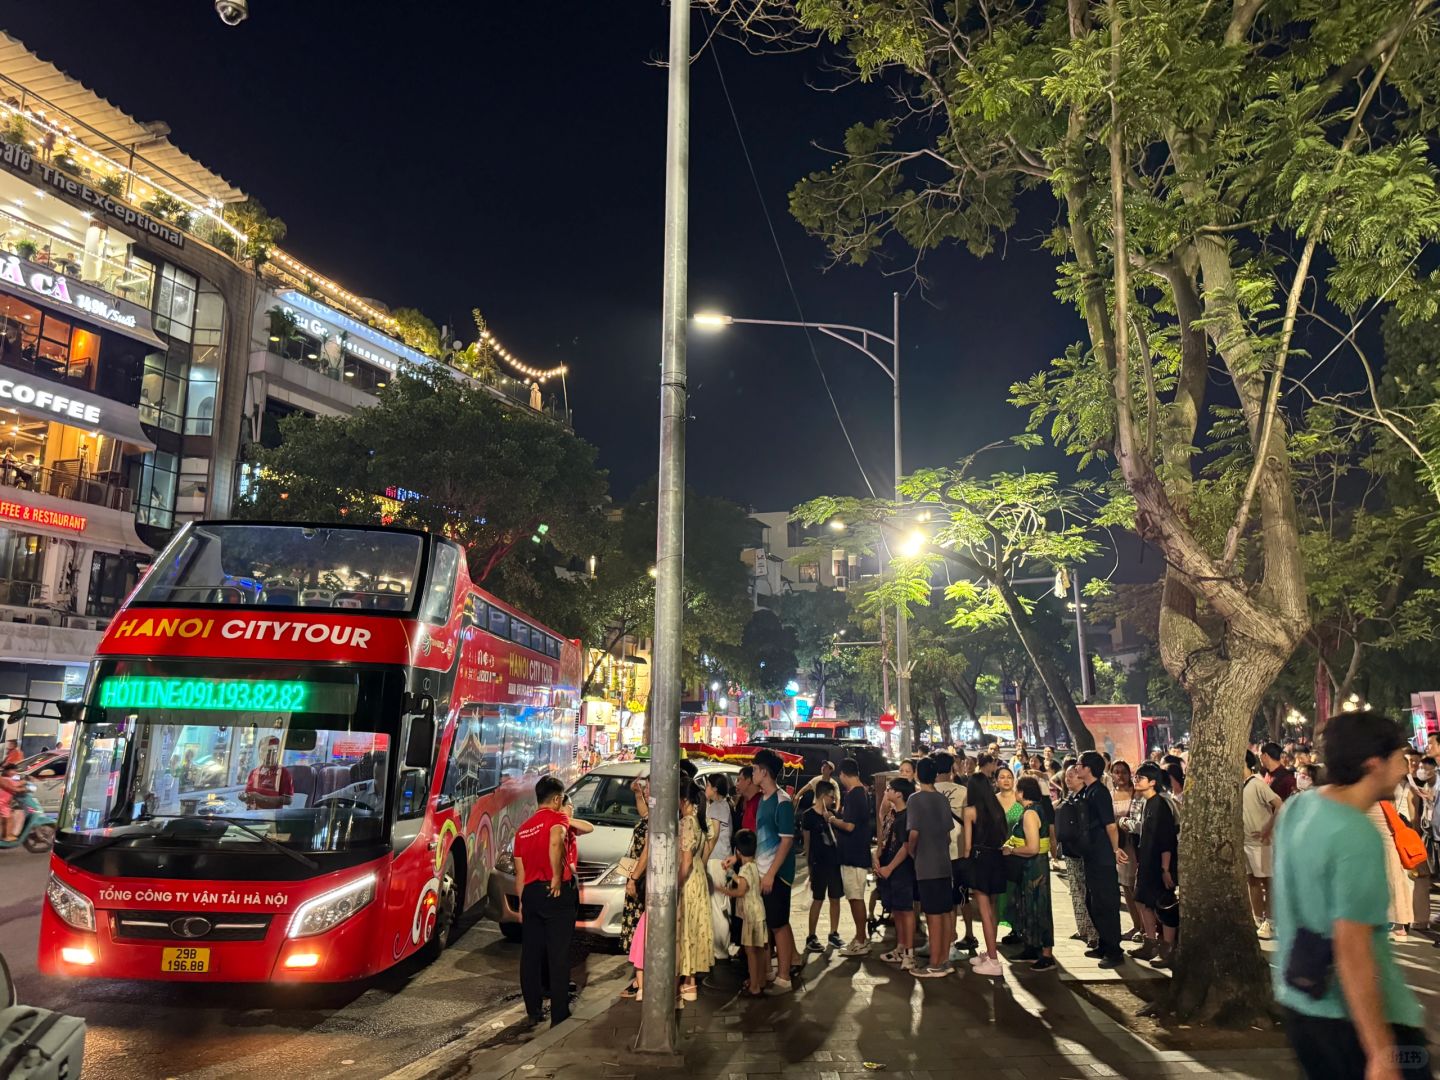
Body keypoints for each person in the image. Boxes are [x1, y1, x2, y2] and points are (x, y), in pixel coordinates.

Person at [1273, 711, 1429, 1079]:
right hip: (1356, 1021)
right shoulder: (1356, 835)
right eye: (1399, 760)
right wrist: (1379, 1051)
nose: (1404, 769)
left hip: (1300, 1004)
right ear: (1374, 764)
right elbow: (1353, 946)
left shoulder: (1300, 807)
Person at [513, 776, 593, 1026]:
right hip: (556, 893)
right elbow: (557, 840)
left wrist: (522, 903)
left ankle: (533, 1011)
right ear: (557, 799)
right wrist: (557, 877)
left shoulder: (523, 829)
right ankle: (559, 1013)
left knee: (531, 955)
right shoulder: (558, 819)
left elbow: (521, 873)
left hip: (531, 894)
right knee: (558, 954)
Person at [752, 748, 797, 994]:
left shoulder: (782, 802)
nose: (752, 773)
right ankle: (773, 971)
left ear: (764, 772)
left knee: (779, 924)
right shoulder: (763, 800)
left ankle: (784, 977)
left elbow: (787, 841)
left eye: (755, 769)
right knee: (772, 923)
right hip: (763, 871)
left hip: (777, 875)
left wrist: (770, 874)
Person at [1077, 750, 1127, 968]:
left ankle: (1114, 951)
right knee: (1093, 901)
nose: (1077, 767)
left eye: (1080, 764)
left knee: (1106, 902)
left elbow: (1110, 825)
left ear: (1089, 769)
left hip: (1103, 855)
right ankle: (1105, 944)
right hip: (1091, 854)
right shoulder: (1088, 791)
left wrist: (1116, 849)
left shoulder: (1100, 793)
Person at [907, 757, 956, 978]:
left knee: (933, 915)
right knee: (945, 912)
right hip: (944, 863)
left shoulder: (915, 800)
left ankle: (935, 965)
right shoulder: (942, 800)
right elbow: (947, 836)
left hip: (926, 864)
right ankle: (944, 959)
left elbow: (914, 833)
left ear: (917, 773)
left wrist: (911, 851)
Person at [1130, 762, 1180, 967]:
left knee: (1165, 905)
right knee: (1143, 900)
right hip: (1147, 861)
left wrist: (1165, 869)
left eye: (1140, 778)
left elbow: (1166, 840)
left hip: (1159, 863)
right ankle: (1150, 942)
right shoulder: (1146, 802)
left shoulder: (1160, 804)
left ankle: (1167, 949)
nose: (1136, 780)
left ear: (1152, 782)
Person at [1004, 775, 1056, 970]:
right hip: (1032, 866)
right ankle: (1032, 947)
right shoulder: (1036, 809)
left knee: (1038, 906)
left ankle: (1045, 953)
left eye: (1018, 789)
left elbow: (1032, 847)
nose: (1015, 793)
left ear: (1023, 792)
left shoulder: (1030, 813)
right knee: (1029, 905)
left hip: (1033, 866)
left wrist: (1012, 850)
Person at [962, 771, 1009, 976]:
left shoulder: (970, 811)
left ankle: (993, 960)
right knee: (992, 910)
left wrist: (965, 864)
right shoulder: (997, 808)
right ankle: (990, 953)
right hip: (997, 859)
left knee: (985, 913)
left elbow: (967, 846)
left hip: (979, 860)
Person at [825, 757, 873, 956]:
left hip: (854, 855)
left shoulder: (855, 795)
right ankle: (859, 936)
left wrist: (833, 819)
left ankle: (861, 939)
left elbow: (850, 826)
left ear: (844, 774)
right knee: (855, 897)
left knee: (855, 898)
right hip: (854, 853)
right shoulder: (861, 793)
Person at [933, 751, 977, 957]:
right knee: (961, 897)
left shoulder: (926, 791)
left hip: (936, 852)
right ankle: (968, 933)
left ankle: (947, 937)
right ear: (952, 768)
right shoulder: (963, 791)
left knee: (941, 898)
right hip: (960, 850)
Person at [875, 777, 918, 969]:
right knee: (897, 910)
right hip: (889, 868)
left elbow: (905, 847)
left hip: (902, 870)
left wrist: (889, 867)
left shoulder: (907, 816)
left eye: (890, 789)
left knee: (906, 910)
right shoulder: (893, 814)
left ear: (899, 793)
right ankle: (900, 948)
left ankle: (909, 952)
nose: (887, 791)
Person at [677, 779, 712, 1001]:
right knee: (695, 926)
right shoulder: (701, 820)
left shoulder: (687, 822)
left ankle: (687, 981)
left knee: (686, 928)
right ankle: (691, 979)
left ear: (685, 800)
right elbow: (707, 847)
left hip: (689, 880)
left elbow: (686, 861)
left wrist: (676, 884)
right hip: (699, 876)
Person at [722, 828, 767, 996]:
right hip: (759, 913)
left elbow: (741, 890)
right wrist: (731, 873)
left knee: (750, 952)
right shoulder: (753, 866)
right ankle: (760, 980)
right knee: (759, 949)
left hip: (750, 916)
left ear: (738, 852)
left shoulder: (745, 869)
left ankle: (754, 986)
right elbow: (744, 882)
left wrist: (724, 890)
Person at [801, 778, 844, 953]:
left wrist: (832, 820)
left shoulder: (833, 815)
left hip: (834, 863)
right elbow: (807, 843)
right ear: (822, 796)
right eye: (831, 797)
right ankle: (811, 935)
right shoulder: (808, 816)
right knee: (818, 899)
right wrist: (809, 867)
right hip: (818, 863)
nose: (833, 800)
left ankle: (834, 933)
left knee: (835, 898)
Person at [1243, 750, 1283, 941]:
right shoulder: (1240, 786)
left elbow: (1279, 804)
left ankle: (1273, 921)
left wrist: (1268, 828)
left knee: (1268, 882)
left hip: (1263, 843)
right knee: (1252, 881)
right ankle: (1257, 919)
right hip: (1247, 842)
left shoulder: (1257, 784)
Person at [1058, 765, 1098, 949]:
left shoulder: (1086, 798)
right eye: (1066, 776)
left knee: (1086, 892)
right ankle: (1082, 928)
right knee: (1076, 891)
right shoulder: (1070, 798)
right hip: (1069, 850)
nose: (1068, 779)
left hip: (1082, 852)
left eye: (1072, 776)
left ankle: (1093, 932)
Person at [618, 775, 650, 999]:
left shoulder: (662, 814)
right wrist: (637, 794)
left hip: (642, 877)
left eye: (649, 789)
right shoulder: (652, 814)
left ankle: (642, 981)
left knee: (641, 927)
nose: (647, 792)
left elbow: (648, 850)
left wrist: (634, 878)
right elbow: (644, 814)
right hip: (637, 873)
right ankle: (639, 978)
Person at [1111, 760, 1144, 942]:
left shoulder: (1137, 794)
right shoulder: (1111, 795)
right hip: (1120, 845)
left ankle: (1145, 927)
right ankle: (1136, 924)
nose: (1120, 776)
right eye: (1116, 772)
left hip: (1135, 844)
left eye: (1123, 772)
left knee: (1136, 886)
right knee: (1125, 885)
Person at [704, 773, 735, 961]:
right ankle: (723, 946)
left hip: (716, 859)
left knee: (717, 905)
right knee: (723, 903)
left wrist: (703, 857)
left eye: (707, 785)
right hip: (725, 857)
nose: (705, 789)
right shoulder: (726, 805)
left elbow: (713, 836)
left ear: (715, 789)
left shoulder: (716, 807)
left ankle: (720, 950)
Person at [243, 737, 294, 809]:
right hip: (252, 815)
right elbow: (248, 796)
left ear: (277, 753)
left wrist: (262, 798)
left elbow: (289, 800)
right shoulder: (254, 772)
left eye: (271, 751)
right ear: (259, 752)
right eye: (264, 750)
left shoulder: (283, 773)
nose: (267, 755)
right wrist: (244, 797)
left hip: (270, 817)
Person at [0, 762, 24, 840]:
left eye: (15, 771)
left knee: (7, 817)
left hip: (4, 802)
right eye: (12, 770)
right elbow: (14, 786)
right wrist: (25, 783)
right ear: (7, 771)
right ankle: (7, 836)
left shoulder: (6, 778)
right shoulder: (6, 779)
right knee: (9, 818)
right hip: (2, 802)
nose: (14, 772)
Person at [735, 765, 760, 833]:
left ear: (749, 781)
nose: (736, 784)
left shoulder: (759, 803)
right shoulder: (742, 801)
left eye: (739, 780)